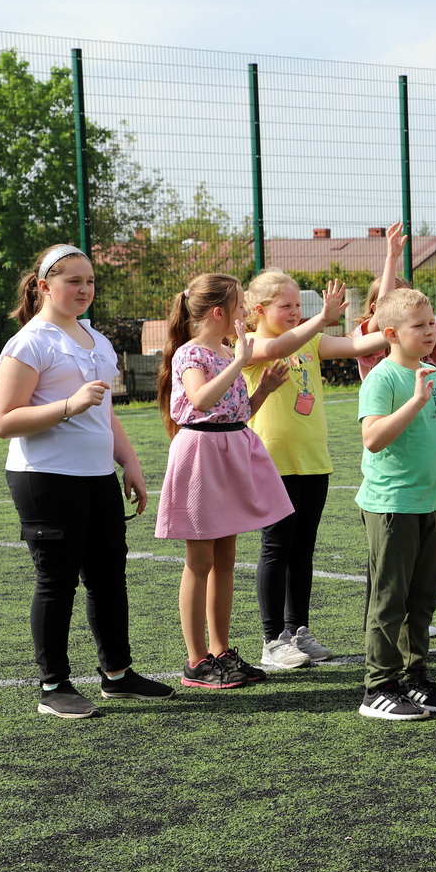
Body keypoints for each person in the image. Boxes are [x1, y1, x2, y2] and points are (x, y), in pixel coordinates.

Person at [0, 243, 173, 718]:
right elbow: (4, 420)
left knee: (109, 577)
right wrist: (69, 404)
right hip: (45, 478)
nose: (84, 289)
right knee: (57, 582)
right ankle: (53, 686)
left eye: (90, 281)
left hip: (97, 476)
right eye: (73, 281)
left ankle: (117, 674)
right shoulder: (30, 342)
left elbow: (106, 413)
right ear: (44, 286)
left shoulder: (97, 338)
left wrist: (128, 460)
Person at [241, 269, 389, 670]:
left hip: (313, 461)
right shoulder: (250, 343)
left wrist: (400, 327)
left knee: (302, 549)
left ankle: (297, 630)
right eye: (285, 306)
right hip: (274, 462)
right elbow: (273, 351)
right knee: (276, 548)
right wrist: (320, 319)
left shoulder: (311, 340)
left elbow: (362, 344)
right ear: (259, 310)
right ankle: (272, 640)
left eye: (298, 306)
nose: (294, 312)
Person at [155, 273, 294, 689]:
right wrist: (239, 362)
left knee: (226, 559)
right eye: (240, 306)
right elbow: (200, 401)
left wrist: (263, 390)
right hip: (201, 456)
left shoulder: (227, 350)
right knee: (199, 562)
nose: (247, 312)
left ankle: (220, 651)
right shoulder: (191, 354)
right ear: (219, 313)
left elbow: (232, 412)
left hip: (229, 449)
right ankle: (196, 661)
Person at [354, 287, 436, 720]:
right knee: (390, 600)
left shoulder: (435, 375)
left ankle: (414, 678)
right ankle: (378, 687)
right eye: (420, 326)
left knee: (422, 600)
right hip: (392, 505)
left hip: (432, 503)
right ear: (391, 333)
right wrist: (414, 401)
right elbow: (373, 438)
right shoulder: (383, 378)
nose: (431, 331)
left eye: (432, 323)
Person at [351, 225, 436, 380]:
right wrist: (392, 258)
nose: (428, 329)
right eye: (398, 299)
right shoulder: (370, 335)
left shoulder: (417, 331)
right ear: (375, 307)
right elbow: (382, 315)